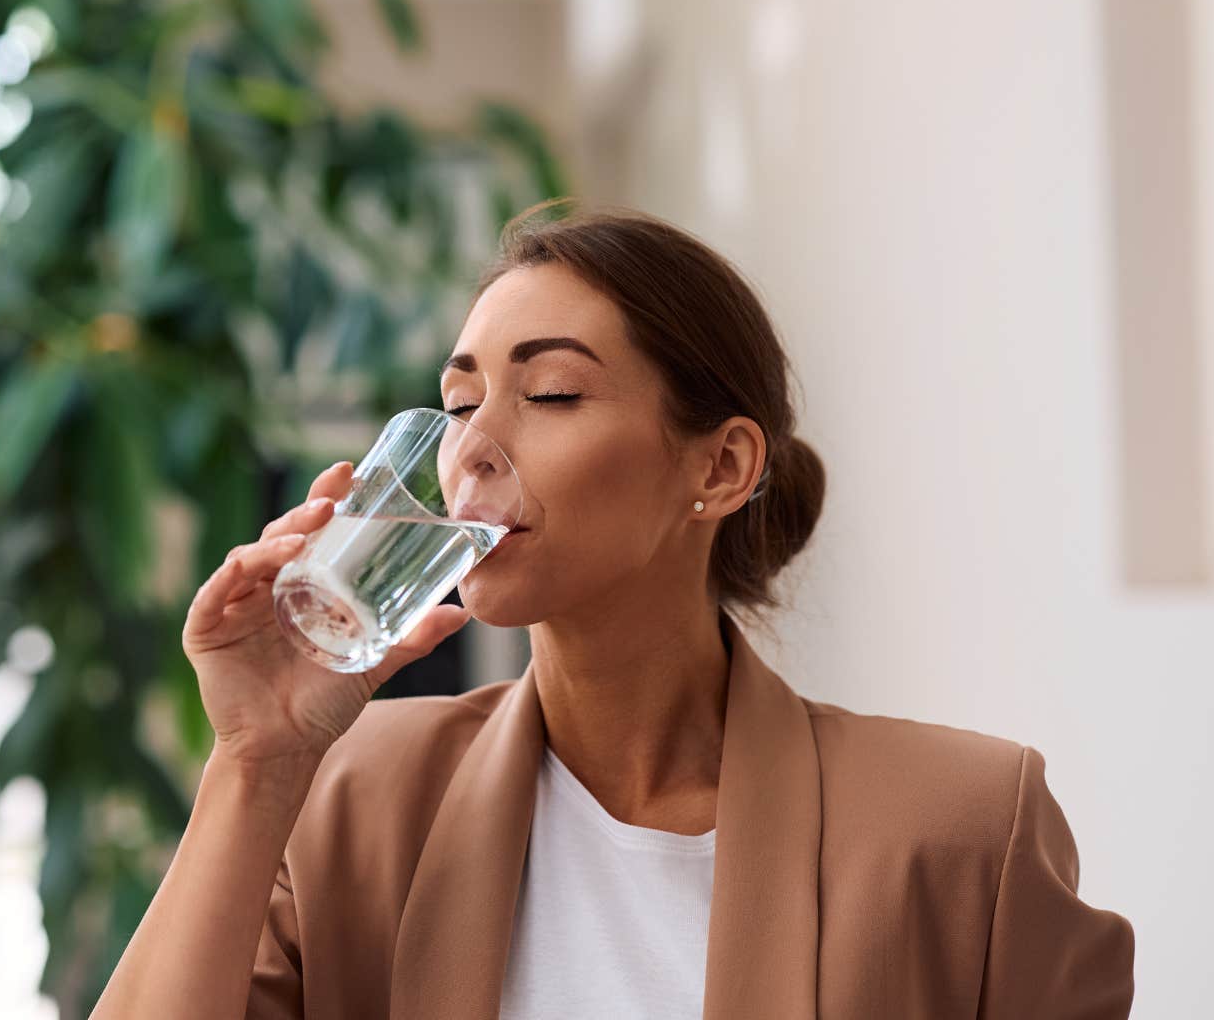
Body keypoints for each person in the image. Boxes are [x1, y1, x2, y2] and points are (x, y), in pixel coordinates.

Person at [92, 201, 1136, 1019]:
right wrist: (255, 762)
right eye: (458, 405)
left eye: (548, 394)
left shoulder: (961, 829)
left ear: (722, 466)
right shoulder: (356, 796)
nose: (471, 449)